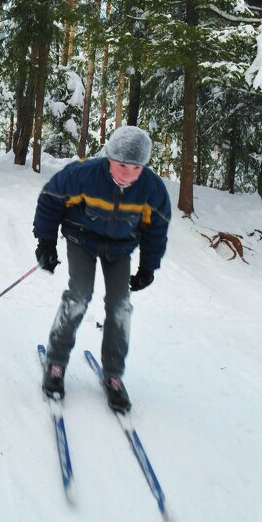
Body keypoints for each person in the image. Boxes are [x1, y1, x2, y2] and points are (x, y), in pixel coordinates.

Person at [33, 125, 171, 413]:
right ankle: (56, 363)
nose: (126, 173)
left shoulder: (152, 189)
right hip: (82, 239)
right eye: (121, 165)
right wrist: (46, 242)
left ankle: (113, 374)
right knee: (79, 296)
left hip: (120, 249)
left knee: (120, 306)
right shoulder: (84, 174)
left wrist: (148, 266)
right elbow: (51, 199)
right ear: (110, 157)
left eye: (135, 168)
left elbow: (156, 228)